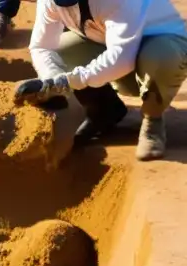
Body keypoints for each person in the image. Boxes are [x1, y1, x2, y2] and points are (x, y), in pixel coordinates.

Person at [13, 0, 187, 160]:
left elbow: (122, 58)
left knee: (161, 57)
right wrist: (51, 80)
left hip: (163, 42)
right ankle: (105, 110)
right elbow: (42, 46)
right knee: (61, 52)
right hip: (111, 43)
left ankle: (153, 121)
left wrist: (68, 81)